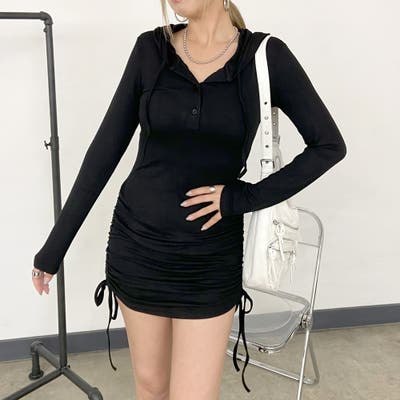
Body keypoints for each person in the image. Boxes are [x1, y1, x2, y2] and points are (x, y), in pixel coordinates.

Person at [31, 0, 347, 397]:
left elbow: (329, 145)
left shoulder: (265, 57)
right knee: (151, 387)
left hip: (209, 261)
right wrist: (54, 248)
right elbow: (104, 152)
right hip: (137, 247)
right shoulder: (151, 49)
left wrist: (242, 197)